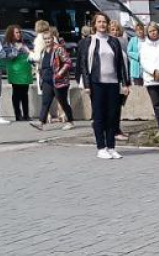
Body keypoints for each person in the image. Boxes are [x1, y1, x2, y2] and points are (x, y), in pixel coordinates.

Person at [79, 12, 131, 159]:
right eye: (99, 22)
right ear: (94, 24)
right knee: (99, 116)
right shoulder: (88, 41)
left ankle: (111, 147)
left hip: (113, 83)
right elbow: (83, 64)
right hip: (96, 83)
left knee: (112, 116)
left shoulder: (114, 41)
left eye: (104, 22)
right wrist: (87, 85)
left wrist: (125, 83)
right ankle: (101, 147)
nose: (102, 24)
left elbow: (121, 64)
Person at [32, 27, 74, 131]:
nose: (47, 41)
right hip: (47, 80)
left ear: (53, 38)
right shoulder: (43, 51)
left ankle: (70, 121)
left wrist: (59, 73)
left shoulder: (58, 49)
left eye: (49, 38)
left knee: (63, 102)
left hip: (58, 81)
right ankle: (41, 122)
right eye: (45, 39)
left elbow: (68, 62)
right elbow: (42, 65)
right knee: (45, 102)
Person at [3, 26, 32, 122]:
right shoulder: (7, 45)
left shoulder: (23, 43)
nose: (19, 34)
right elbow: (9, 57)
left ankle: (26, 115)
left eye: (19, 32)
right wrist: (17, 49)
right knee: (16, 93)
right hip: (15, 72)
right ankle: (18, 115)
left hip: (24, 72)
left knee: (25, 93)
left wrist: (28, 52)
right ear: (11, 34)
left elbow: (29, 55)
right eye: (16, 32)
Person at [127, 21, 144, 86]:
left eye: (141, 30)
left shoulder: (147, 40)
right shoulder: (133, 40)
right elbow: (128, 52)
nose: (139, 31)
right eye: (137, 30)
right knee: (137, 86)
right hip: (136, 66)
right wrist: (137, 56)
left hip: (146, 66)